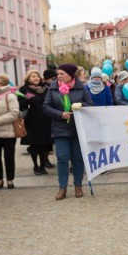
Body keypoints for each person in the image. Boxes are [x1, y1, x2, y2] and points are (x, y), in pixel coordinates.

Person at [42, 63, 92, 200]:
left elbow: (90, 105)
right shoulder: (53, 88)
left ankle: (78, 185)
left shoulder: (81, 88)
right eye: (58, 74)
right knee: (62, 158)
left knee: (77, 159)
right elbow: (46, 107)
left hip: (78, 128)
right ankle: (62, 187)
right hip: (60, 128)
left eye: (62, 73)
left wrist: (81, 106)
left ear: (71, 75)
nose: (59, 76)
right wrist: (60, 114)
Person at [19, 70, 54, 175]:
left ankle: (43, 166)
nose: (36, 78)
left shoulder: (46, 89)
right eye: (33, 76)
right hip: (31, 120)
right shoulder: (24, 89)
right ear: (28, 78)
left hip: (45, 120)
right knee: (34, 145)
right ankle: (35, 166)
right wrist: (28, 100)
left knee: (43, 145)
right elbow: (20, 104)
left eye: (37, 76)